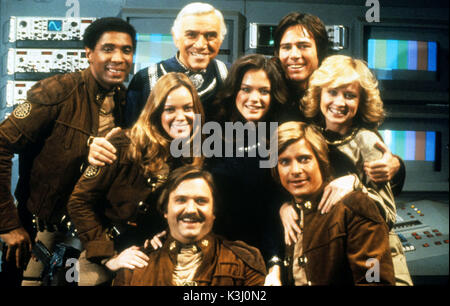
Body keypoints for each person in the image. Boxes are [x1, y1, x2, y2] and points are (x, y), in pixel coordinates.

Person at [0, 17, 136, 285]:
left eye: (126, 50)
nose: (118, 58)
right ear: (89, 53)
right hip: (42, 233)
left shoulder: (124, 99)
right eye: (108, 49)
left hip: (90, 235)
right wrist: (7, 224)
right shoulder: (55, 92)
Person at [67, 72, 204, 285]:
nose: (181, 116)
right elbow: (79, 202)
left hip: (147, 253)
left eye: (188, 108)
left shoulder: (191, 156)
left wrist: (166, 233)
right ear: (156, 112)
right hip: (102, 251)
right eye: (170, 109)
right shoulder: (122, 144)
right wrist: (108, 258)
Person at [297, 54, 412, 285]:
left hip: (376, 252)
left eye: (349, 95)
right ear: (319, 93)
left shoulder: (368, 141)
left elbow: (388, 215)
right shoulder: (308, 135)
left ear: (361, 102)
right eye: (332, 92)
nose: (339, 102)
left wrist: (355, 184)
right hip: (330, 250)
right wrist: (286, 207)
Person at [273, 12, 405, 194]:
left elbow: (370, 156)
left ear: (319, 51)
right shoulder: (269, 95)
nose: (294, 55)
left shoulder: (341, 96)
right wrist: (283, 207)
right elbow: (266, 166)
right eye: (286, 47)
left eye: (303, 46)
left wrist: (395, 166)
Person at [272, 121, 395, 285]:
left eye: (304, 159)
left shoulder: (354, 206)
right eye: (285, 162)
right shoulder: (291, 213)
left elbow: (376, 281)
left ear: (321, 161)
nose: (295, 170)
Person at [113, 165, 267, 286]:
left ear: (214, 211)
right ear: (165, 210)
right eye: (180, 200)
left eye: (201, 201)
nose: (191, 210)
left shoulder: (244, 262)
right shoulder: (135, 266)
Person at [207, 54, 288, 264]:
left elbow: (273, 208)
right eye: (246, 89)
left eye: (264, 91)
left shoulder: (281, 138)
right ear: (234, 91)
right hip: (213, 252)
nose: (254, 98)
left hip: (264, 253)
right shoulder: (210, 132)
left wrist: (274, 262)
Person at [124, 2, 229, 128]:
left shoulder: (230, 75)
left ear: (221, 40)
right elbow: (132, 136)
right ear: (175, 37)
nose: (201, 44)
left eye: (210, 35)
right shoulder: (145, 79)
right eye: (191, 35)